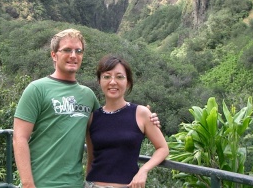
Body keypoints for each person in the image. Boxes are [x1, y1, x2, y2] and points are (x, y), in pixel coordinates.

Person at [13, 29, 160, 188]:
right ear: (54, 55)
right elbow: (19, 138)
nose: (73, 55)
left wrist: (148, 120)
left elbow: (107, 123)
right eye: (67, 50)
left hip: (76, 183)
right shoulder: (37, 89)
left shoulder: (88, 96)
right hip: (41, 183)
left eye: (78, 51)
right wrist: (28, 184)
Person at [85, 55, 169, 188]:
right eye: (107, 77)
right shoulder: (92, 118)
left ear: (128, 82)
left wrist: (144, 170)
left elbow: (163, 148)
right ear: (100, 81)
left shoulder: (141, 113)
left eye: (119, 77)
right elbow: (91, 159)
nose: (113, 82)